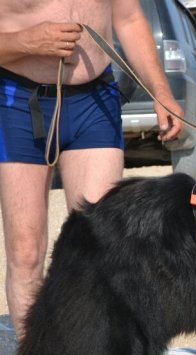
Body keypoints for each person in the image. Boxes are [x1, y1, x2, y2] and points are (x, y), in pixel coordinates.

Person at [0, 0, 183, 337]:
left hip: (94, 100)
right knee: (25, 253)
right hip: (17, 103)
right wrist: (26, 41)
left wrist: (160, 92)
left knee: (101, 243)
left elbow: (128, 19)